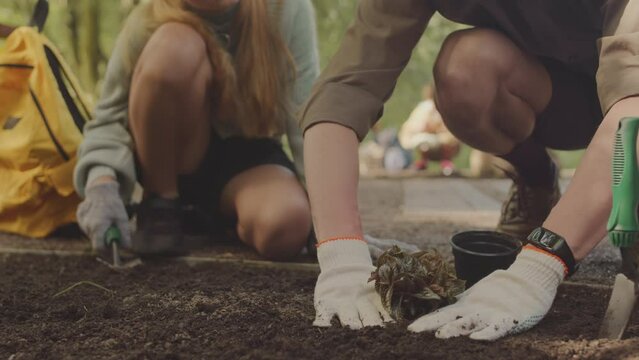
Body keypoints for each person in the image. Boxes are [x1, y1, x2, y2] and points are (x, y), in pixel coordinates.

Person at [300, 0, 639, 340]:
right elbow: (346, 90)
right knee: (466, 69)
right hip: (556, 99)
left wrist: (541, 265)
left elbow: (633, 111)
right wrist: (340, 252)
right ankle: (537, 180)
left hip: (626, 95)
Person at [73, 0, 319, 261]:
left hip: (249, 159)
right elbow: (109, 117)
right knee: (175, 45)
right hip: (171, 159)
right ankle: (162, 208)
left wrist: (328, 216)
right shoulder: (148, 17)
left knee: (288, 224)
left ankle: (216, 218)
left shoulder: (286, 8)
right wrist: (102, 185)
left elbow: (306, 112)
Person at [399, 84, 460, 175]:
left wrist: (438, 128)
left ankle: (445, 162)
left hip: (443, 140)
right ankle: (423, 161)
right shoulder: (425, 107)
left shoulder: (447, 106)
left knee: (449, 139)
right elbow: (412, 127)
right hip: (426, 140)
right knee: (423, 142)